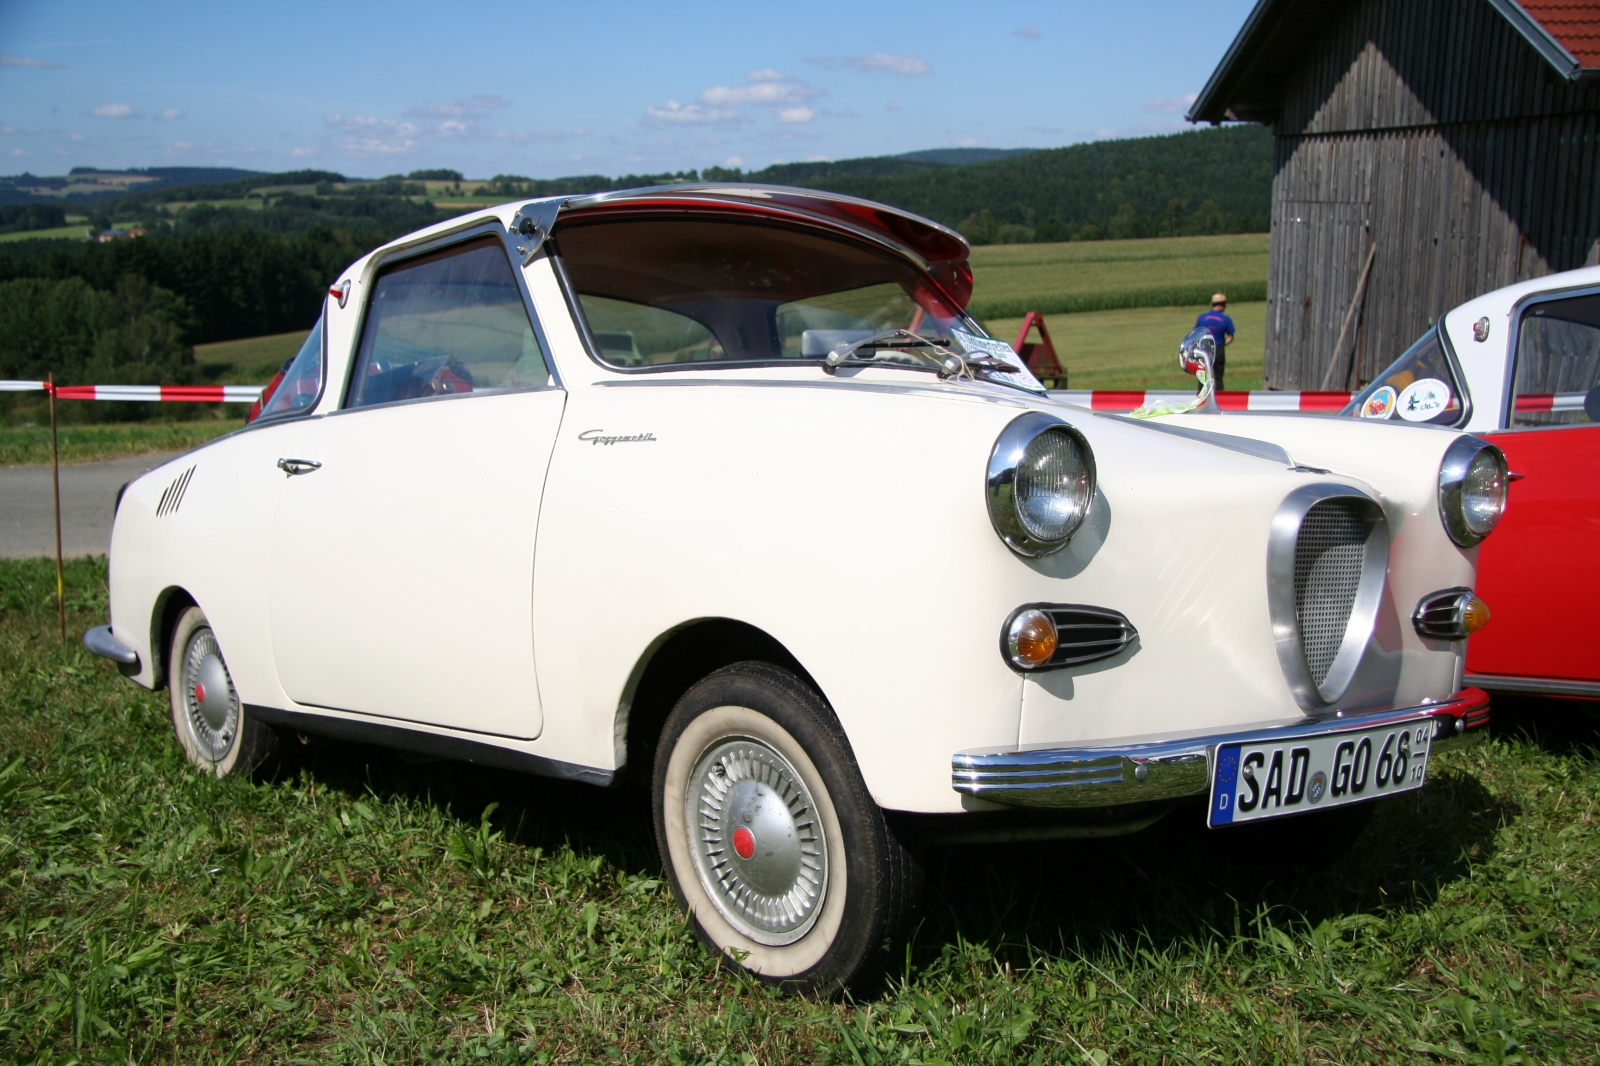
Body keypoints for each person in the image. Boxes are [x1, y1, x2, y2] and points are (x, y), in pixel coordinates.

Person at [1195, 293, 1235, 392]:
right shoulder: (1226, 319)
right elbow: (1231, 336)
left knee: (1203, 376)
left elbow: (1196, 334)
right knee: (1218, 377)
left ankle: (1201, 398)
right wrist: (1223, 344)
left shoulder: (1202, 317)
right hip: (1218, 349)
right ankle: (1220, 399)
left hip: (1204, 349)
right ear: (1222, 305)